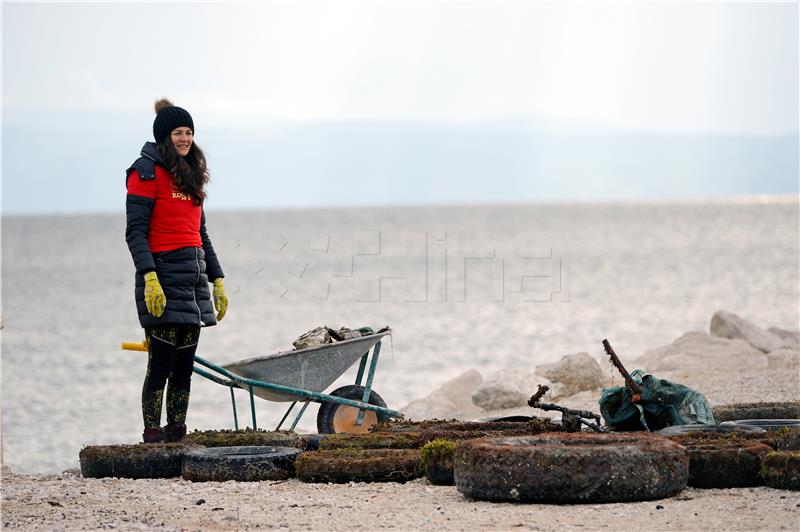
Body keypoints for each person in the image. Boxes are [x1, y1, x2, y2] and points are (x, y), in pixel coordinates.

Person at [125, 98, 228, 443]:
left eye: (188, 132)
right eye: (178, 133)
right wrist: (150, 276)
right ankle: (153, 439)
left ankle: (176, 437)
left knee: (184, 370)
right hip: (163, 278)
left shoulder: (191, 175)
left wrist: (218, 279)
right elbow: (135, 232)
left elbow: (201, 234)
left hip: (194, 281)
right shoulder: (145, 172)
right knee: (161, 367)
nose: (184, 138)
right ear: (164, 137)